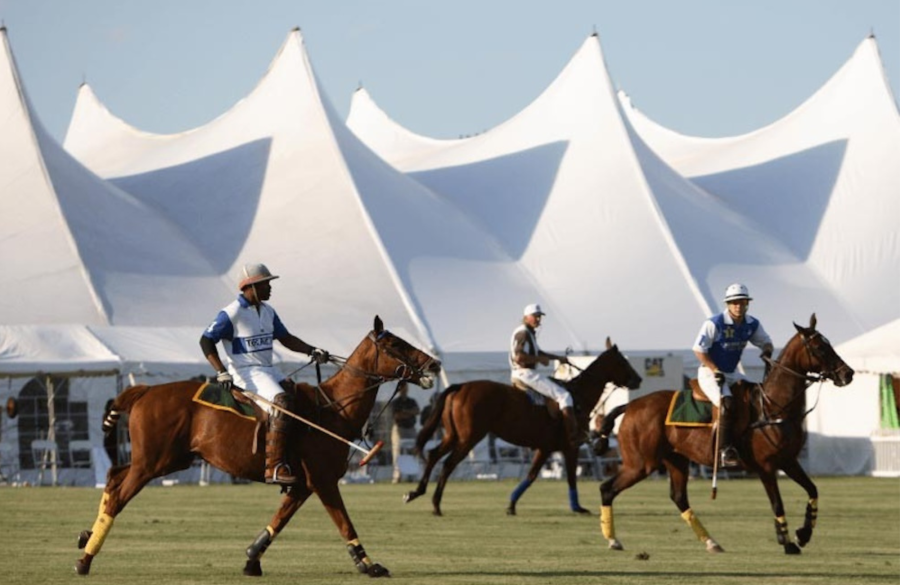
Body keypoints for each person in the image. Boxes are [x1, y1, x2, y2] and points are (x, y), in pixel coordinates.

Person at [200, 263, 329, 486]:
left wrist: (311, 350)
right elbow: (206, 340)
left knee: (298, 394)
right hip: (245, 373)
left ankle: (294, 460)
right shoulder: (232, 313)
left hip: (267, 369)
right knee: (281, 403)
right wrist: (221, 372)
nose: (270, 288)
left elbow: (286, 338)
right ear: (250, 286)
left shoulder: (268, 311)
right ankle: (274, 467)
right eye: (265, 284)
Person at [692, 283, 774, 467]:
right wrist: (714, 369)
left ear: (747, 304)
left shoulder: (752, 324)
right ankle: (724, 450)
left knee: (755, 395)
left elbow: (765, 341)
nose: (738, 306)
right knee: (727, 404)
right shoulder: (714, 323)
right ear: (728, 304)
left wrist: (766, 351)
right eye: (734, 302)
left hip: (732, 373)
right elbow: (698, 350)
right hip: (709, 372)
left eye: (742, 302)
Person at [509, 303, 578, 449]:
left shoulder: (528, 332)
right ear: (526, 317)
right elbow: (519, 357)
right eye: (535, 316)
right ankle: (571, 435)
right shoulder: (523, 333)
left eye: (539, 317)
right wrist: (540, 360)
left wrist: (558, 358)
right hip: (524, 373)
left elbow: (539, 353)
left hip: (524, 373)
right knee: (564, 396)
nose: (538, 319)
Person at [391, 381, 420, 483]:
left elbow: (417, 411)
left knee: (413, 451)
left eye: (406, 387)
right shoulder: (396, 402)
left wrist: (405, 413)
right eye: (403, 388)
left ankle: (412, 474)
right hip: (400, 428)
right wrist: (409, 413)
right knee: (398, 451)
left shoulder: (411, 401)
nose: (405, 390)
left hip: (411, 428)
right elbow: (397, 416)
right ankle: (397, 476)